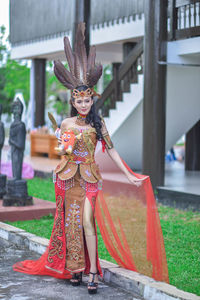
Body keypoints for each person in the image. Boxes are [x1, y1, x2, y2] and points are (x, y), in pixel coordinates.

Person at [13, 23, 168, 294]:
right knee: (70, 221)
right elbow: (61, 152)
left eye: (87, 101)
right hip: (66, 177)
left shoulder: (98, 123)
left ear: (91, 100)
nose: (83, 104)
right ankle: (75, 268)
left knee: (86, 220)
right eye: (79, 101)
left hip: (90, 178)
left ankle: (93, 270)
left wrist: (129, 174)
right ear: (73, 101)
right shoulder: (66, 123)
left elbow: (111, 149)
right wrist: (64, 146)